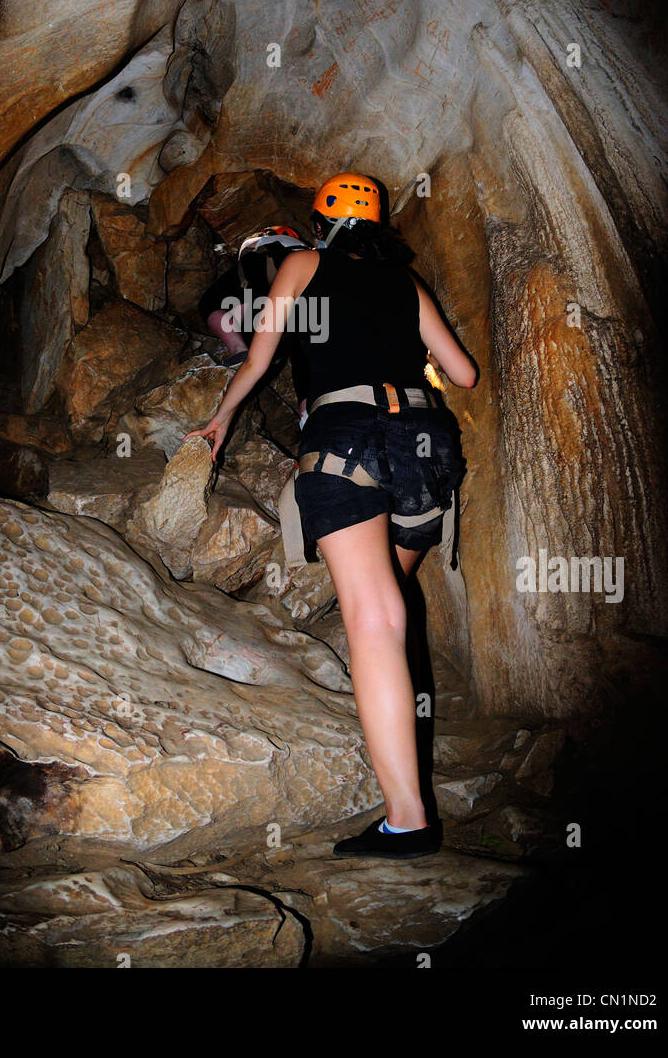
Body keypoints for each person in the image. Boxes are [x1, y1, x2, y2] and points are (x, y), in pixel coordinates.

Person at [185, 171, 477, 860]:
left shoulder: (301, 263)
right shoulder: (405, 282)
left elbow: (260, 357)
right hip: (427, 450)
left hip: (346, 439)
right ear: (377, 228)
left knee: (374, 622)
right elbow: (461, 374)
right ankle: (393, 729)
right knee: (389, 607)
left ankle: (407, 819)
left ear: (320, 225)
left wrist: (220, 420)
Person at [198, 223, 312, 423]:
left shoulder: (263, 245)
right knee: (302, 354)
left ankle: (238, 348)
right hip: (308, 290)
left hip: (266, 274)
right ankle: (308, 411)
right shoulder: (307, 252)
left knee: (212, 303)